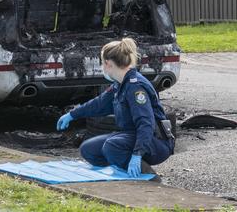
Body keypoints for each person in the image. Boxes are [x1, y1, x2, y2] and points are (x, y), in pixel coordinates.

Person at [56, 38, 174, 177]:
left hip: (155, 142)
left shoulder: (135, 87)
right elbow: (99, 104)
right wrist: (72, 115)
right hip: (131, 136)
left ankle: (148, 177)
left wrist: (137, 154)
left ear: (108, 63)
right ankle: (122, 172)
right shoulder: (120, 84)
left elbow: (146, 123)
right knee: (88, 149)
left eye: (102, 63)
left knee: (112, 146)